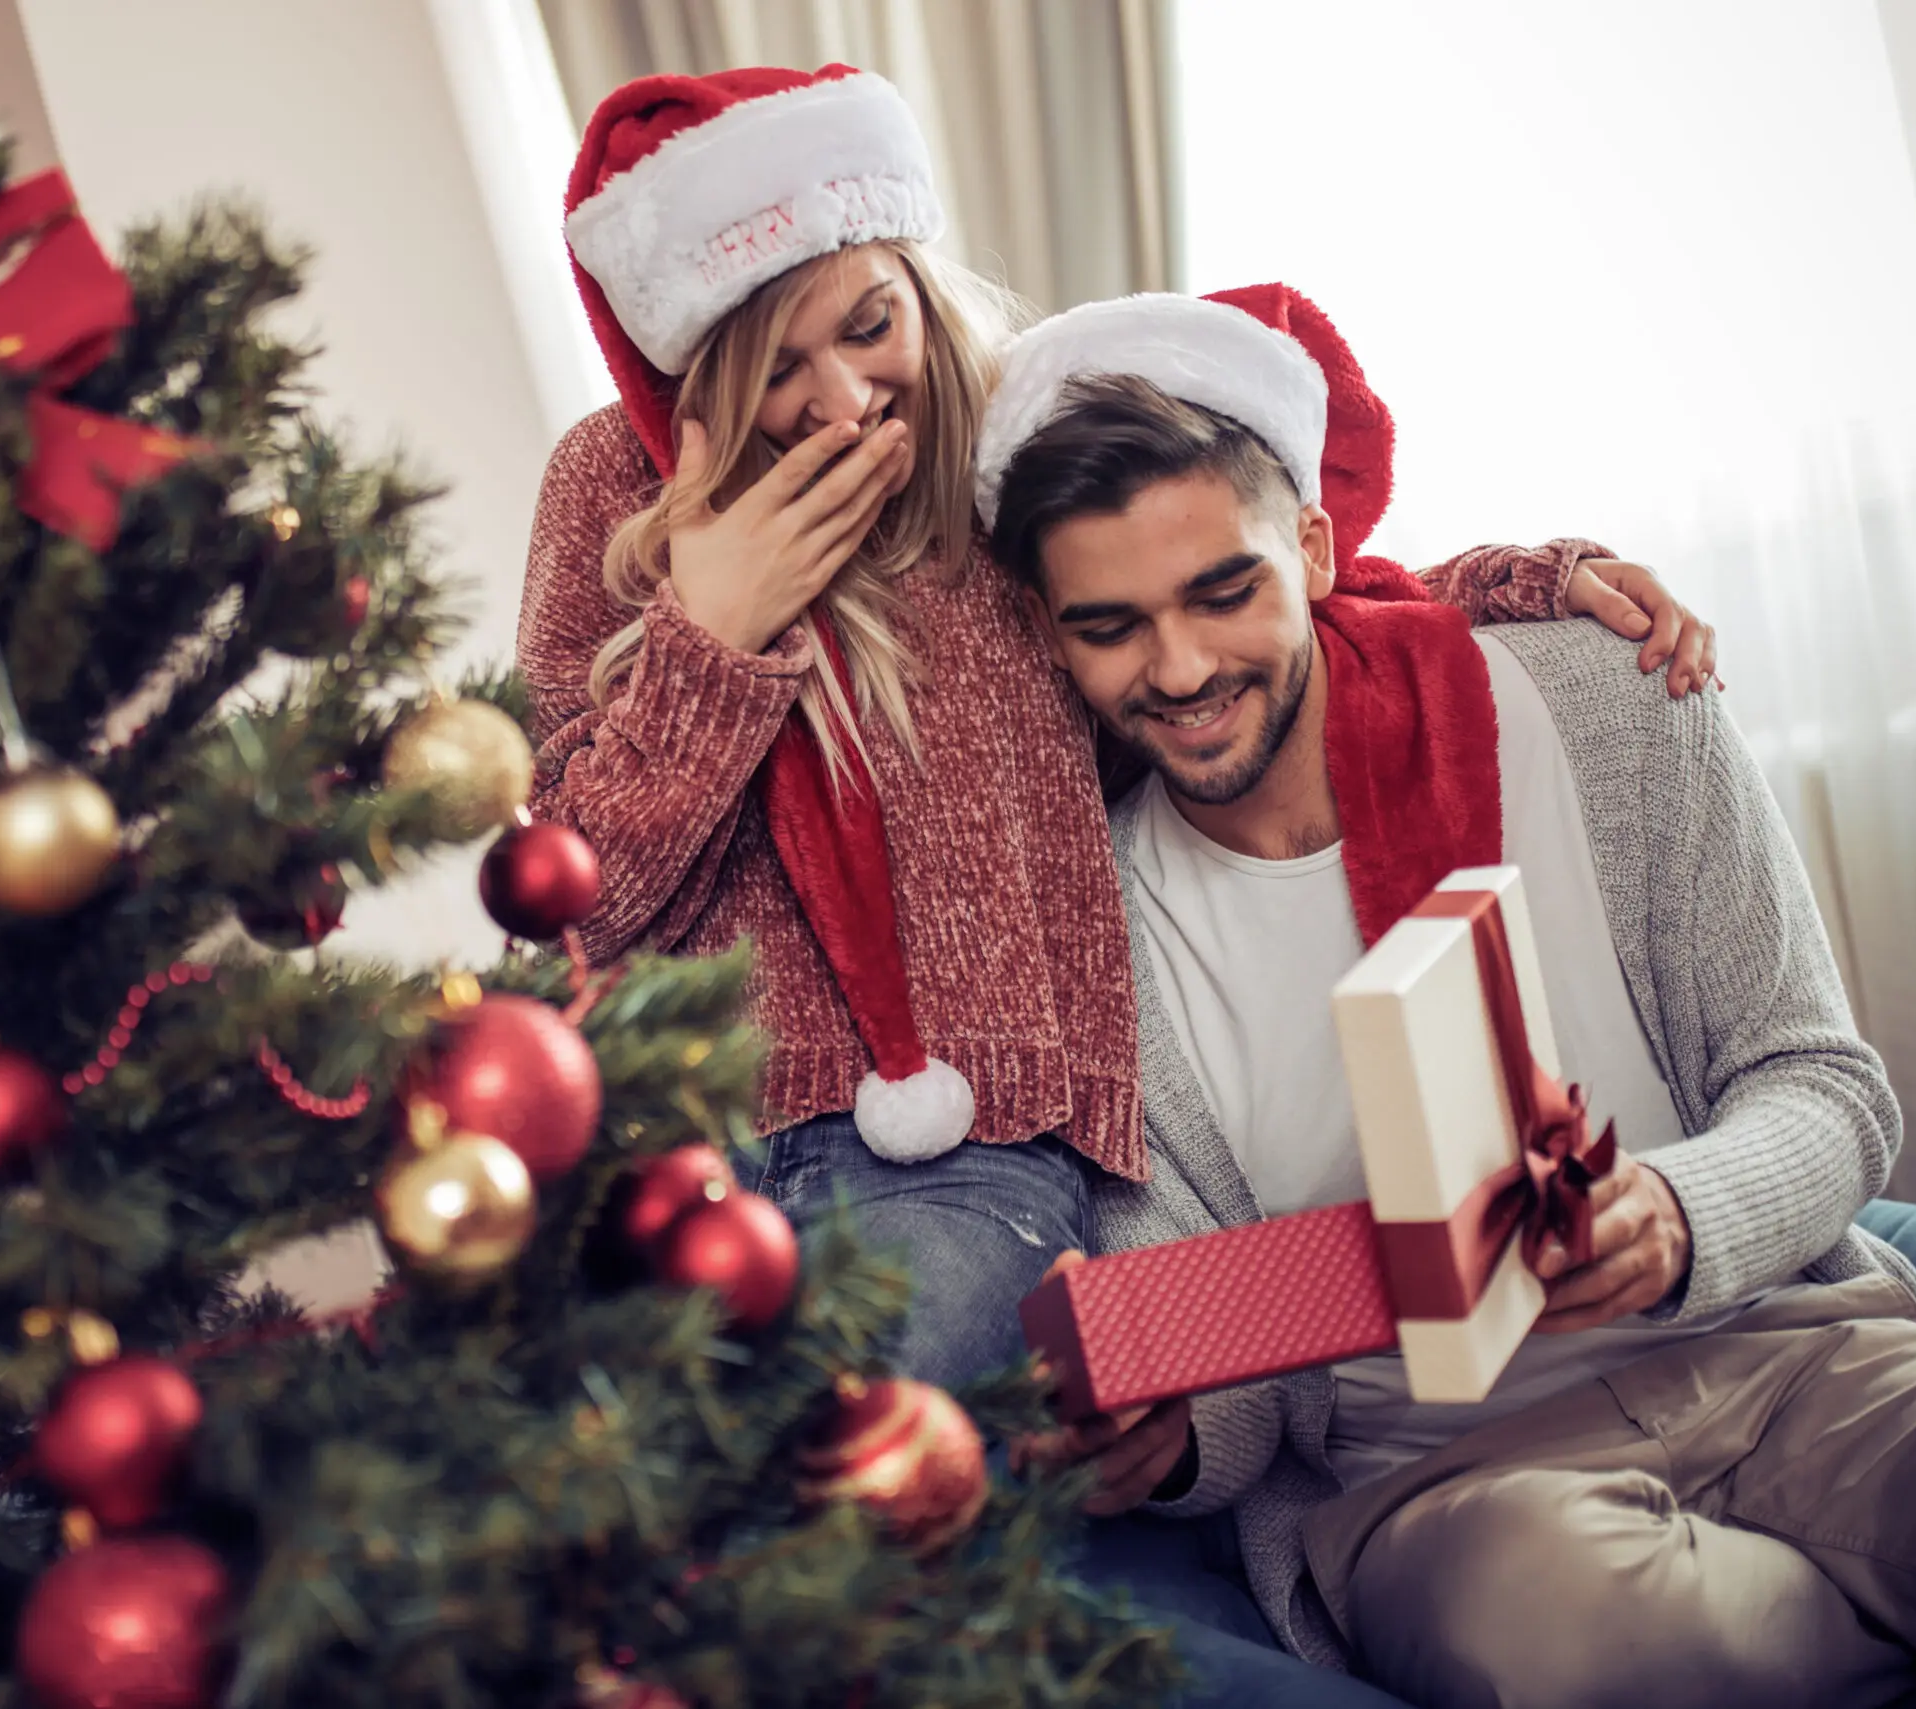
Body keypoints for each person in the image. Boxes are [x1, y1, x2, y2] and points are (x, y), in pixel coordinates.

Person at [520, 63, 1710, 1408]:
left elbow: (1256, 584)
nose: (846, 402)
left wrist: (1534, 578)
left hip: (978, 1157)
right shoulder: (609, 491)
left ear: (915, 278)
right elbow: (569, 900)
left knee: (827, 1431)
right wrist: (716, 637)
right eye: (775, 369)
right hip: (667, 1135)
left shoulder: (998, 455)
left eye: (869, 328)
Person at [980, 289, 1916, 1708]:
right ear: (1050, 636)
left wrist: (1677, 1217)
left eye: (1222, 591)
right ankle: (1905, 1620)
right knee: (1614, 1641)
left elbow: (1826, 1085)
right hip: (1446, 1488)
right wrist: (1163, 1438)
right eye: (1111, 627)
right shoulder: (1088, 938)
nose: (1179, 671)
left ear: (1310, 547)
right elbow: (1228, 1393)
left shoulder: (1604, 699)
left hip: (1793, 1361)